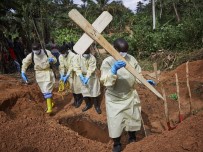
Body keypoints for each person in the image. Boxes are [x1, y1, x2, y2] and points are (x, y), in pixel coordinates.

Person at [100, 38, 155, 152]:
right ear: (114, 49)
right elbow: (105, 81)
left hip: (130, 95)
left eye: (125, 51)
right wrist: (113, 70)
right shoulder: (108, 62)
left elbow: (137, 74)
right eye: (121, 51)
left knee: (133, 118)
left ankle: (132, 137)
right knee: (115, 121)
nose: (123, 54)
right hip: (115, 98)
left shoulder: (131, 59)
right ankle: (117, 143)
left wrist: (145, 82)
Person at [21, 42, 57, 114]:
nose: (36, 52)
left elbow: (55, 59)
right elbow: (25, 63)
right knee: (44, 91)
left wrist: (52, 60)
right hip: (39, 74)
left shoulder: (47, 52)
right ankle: (52, 102)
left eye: (37, 50)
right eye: (34, 50)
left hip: (47, 72)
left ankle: (49, 109)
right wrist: (23, 72)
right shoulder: (31, 55)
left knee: (47, 89)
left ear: (40, 48)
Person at [74, 46, 102, 114]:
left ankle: (97, 106)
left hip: (91, 76)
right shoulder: (77, 57)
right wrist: (80, 75)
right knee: (84, 92)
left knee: (95, 91)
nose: (87, 55)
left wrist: (87, 77)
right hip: (82, 76)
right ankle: (88, 104)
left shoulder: (92, 58)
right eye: (85, 54)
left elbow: (91, 68)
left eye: (88, 54)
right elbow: (76, 67)